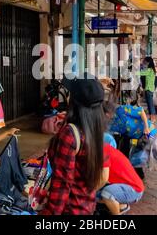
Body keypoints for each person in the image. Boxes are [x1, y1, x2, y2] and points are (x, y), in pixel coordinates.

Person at [40, 73, 106, 215]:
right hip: (86, 206)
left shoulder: (70, 134)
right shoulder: (96, 129)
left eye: (69, 93)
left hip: (69, 209)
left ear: (74, 100)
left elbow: (62, 185)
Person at [96, 143, 145, 215]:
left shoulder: (103, 151)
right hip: (126, 186)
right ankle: (122, 206)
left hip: (134, 190)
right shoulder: (101, 147)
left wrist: (90, 192)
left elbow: (103, 179)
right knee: (96, 195)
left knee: (106, 194)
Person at [138, 56, 157, 123]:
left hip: (148, 89)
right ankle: (152, 118)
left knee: (150, 104)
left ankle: (153, 119)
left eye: (145, 62)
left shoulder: (149, 70)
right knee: (149, 104)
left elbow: (140, 73)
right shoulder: (152, 70)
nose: (144, 63)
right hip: (150, 88)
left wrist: (134, 72)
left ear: (148, 62)